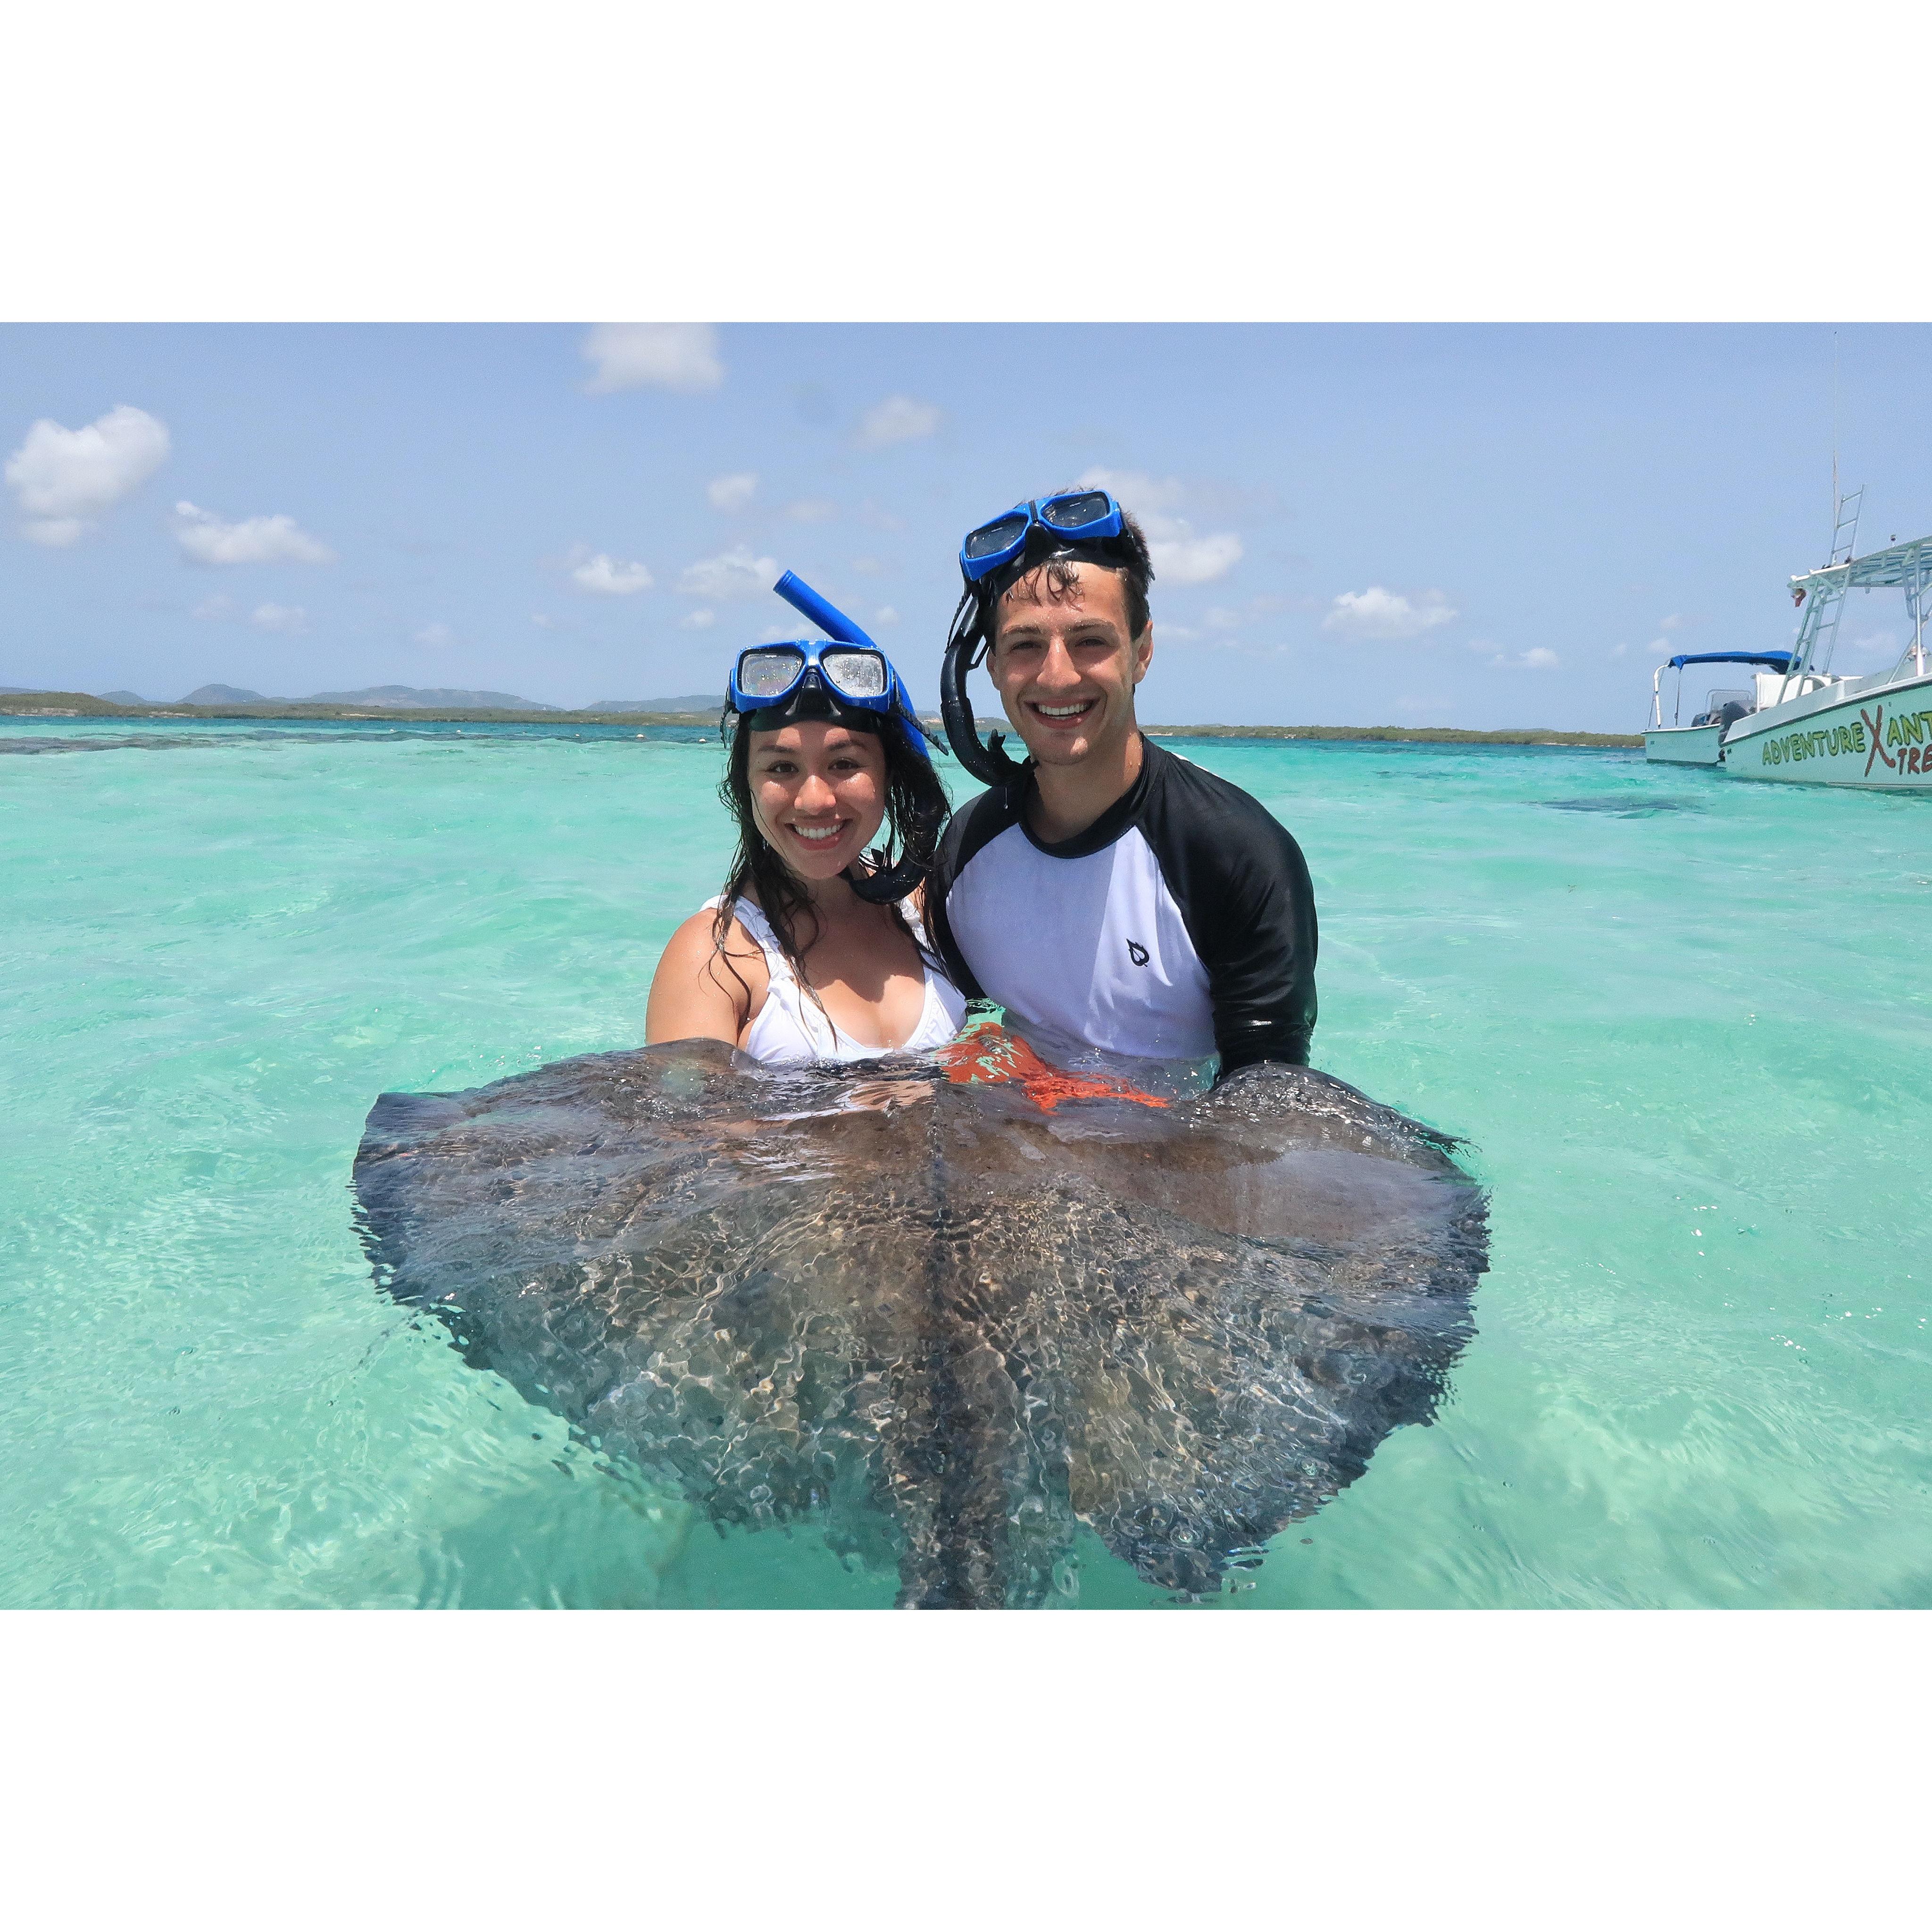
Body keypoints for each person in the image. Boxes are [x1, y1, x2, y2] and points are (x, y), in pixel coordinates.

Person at [927, 488, 1317, 1080]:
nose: (1057, 675)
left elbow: (1265, 1101)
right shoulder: (967, 848)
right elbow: (959, 1024)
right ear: (994, 668)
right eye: (1026, 645)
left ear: (1142, 651)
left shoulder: (1234, 854)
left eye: (1089, 641)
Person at [645, 624, 966, 1064]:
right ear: (746, 785)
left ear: (889, 776)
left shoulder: (928, 910)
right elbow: (686, 1131)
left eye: (844, 763)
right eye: (781, 768)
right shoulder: (713, 956)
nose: (815, 799)